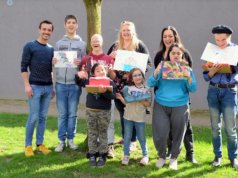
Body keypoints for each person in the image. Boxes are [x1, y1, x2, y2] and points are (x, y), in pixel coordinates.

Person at [148, 43, 197, 170]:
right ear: (169, 55)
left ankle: (173, 158)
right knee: (160, 133)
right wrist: (157, 72)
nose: (175, 55)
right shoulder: (163, 67)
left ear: (182, 55)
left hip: (180, 105)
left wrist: (188, 78)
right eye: (173, 53)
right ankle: (162, 156)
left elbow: (193, 88)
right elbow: (150, 82)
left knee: (178, 133)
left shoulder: (187, 70)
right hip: (161, 104)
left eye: (178, 53)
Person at [107, 20, 151, 151]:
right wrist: (110, 57)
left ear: (133, 32)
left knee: (134, 112)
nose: (126, 33)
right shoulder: (115, 46)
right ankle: (125, 136)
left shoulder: (139, 46)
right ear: (121, 32)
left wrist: (136, 72)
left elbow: (148, 65)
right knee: (122, 112)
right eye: (124, 30)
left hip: (134, 86)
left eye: (128, 30)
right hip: (118, 85)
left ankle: (133, 140)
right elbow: (106, 62)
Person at [202, 25, 238, 168]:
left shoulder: (236, 50)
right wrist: (211, 72)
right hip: (213, 91)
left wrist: (231, 66)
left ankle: (233, 158)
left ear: (229, 37)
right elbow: (206, 77)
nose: (220, 43)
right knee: (215, 127)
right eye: (217, 40)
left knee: (230, 127)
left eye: (223, 40)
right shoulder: (212, 51)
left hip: (229, 91)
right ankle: (217, 156)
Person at [53, 15, 86, 152]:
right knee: (62, 114)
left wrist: (81, 63)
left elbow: (85, 64)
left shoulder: (82, 44)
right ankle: (61, 141)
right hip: (60, 83)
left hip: (75, 84)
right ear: (65, 25)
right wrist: (54, 62)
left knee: (72, 113)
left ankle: (71, 139)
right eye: (69, 23)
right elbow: (56, 62)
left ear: (77, 25)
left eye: (73, 23)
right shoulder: (59, 43)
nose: (71, 25)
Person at [21, 20, 54, 156]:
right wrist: (27, 85)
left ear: (51, 32)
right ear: (39, 29)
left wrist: (52, 86)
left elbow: (50, 69)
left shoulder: (51, 49)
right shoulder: (30, 46)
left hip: (48, 88)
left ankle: (40, 144)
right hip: (35, 87)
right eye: (44, 29)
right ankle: (28, 146)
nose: (46, 32)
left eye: (49, 30)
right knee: (33, 117)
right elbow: (23, 67)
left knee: (43, 117)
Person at [79, 34, 116, 158]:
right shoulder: (86, 59)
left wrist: (110, 72)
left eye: (98, 41)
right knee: (93, 127)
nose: (96, 43)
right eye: (93, 41)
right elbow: (82, 77)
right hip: (93, 100)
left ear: (102, 42)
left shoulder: (108, 58)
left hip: (106, 96)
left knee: (108, 123)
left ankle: (109, 147)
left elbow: (113, 77)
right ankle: (93, 149)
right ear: (90, 43)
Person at [75, 63, 116, 167]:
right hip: (90, 111)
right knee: (92, 133)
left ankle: (102, 155)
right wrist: (78, 75)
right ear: (93, 73)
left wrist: (103, 92)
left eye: (102, 70)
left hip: (104, 112)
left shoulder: (110, 82)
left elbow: (112, 96)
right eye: (97, 70)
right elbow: (79, 82)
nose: (100, 72)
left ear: (106, 71)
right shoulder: (90, 80)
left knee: (103, 133)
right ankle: (92, 154)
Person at [116, 68, 151, 166]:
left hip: (140, 117)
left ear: (142, 76)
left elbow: (148, 104)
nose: (137, 77)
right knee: (127, 137)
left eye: (139, 75)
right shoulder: (127, 88)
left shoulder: (146, 89)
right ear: (131, 78)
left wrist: (138, 98)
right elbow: (128, 101)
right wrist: (122, 98)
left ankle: (145, 155)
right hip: (128, 117)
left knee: (141, 137)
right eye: (135, 75)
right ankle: (126, 155)